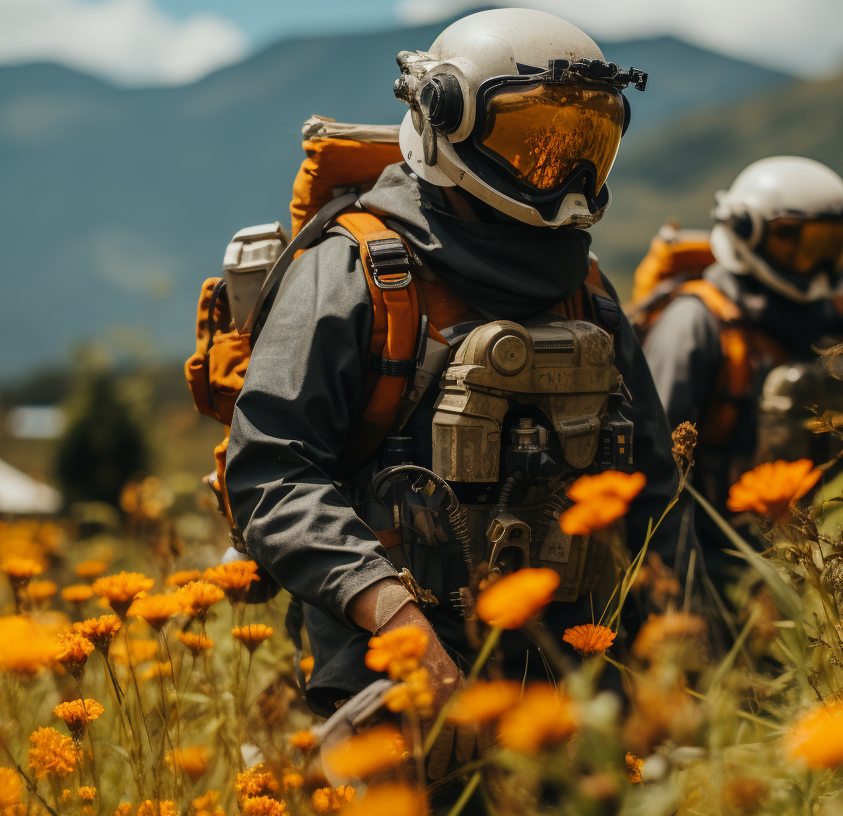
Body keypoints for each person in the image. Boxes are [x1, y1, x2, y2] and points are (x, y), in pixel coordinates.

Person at [221, 6, 682, 784]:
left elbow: (653, 491)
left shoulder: (588, 291)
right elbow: (270, 473)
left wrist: (677, 666)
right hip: (395, 678)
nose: (565, 176)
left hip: (569, 681)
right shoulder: (356, 271)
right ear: (446, 120)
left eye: (584, 147)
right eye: (534, 144)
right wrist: (399, 625)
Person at [638, 156, 843, 588]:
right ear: (746, 232)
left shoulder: (839, 317)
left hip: (836, 554)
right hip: (720, 566)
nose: (817, 265)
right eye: (796, 243)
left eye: (829, 245)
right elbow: (654, 474)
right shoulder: (696, 323)